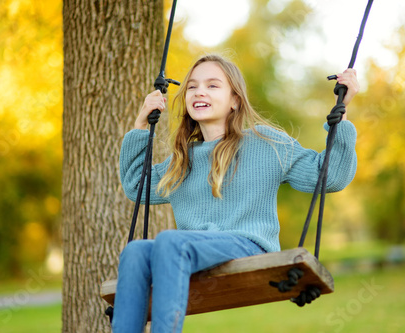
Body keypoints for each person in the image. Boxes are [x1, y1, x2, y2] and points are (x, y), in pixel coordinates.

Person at [112, 54, 359, 332]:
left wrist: (342, 112)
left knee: (171, 241)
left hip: (248, 244)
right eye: (192, 86)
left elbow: (330, 177)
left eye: (213, 85)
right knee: (135, 252)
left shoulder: (266, 143)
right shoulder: (182, 160)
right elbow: (136, 185)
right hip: (196, 250)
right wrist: (141, 124)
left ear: (235, 100)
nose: (199, 91)